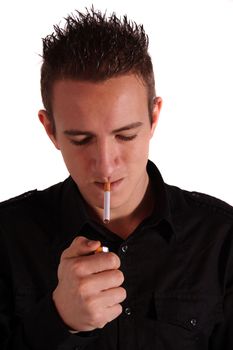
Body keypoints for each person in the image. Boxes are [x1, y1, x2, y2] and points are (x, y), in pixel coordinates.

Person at [0, 7, 233, 350]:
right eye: (82, 140)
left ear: (154, 117)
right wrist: (57, 318)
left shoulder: (220, 236)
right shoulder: (7, 236)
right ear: (50, 129)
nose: (106, 166)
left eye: (125, 135)